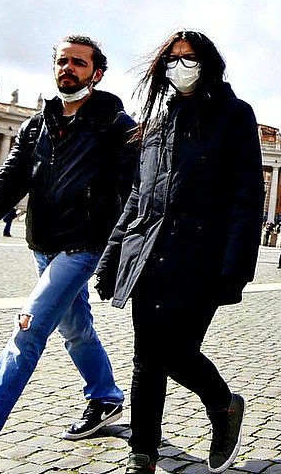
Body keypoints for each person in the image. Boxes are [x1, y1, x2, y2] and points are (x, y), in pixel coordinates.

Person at [0, 35, 135, 474]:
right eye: (61, 61)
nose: (67, 68)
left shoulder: (113, 123)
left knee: (28, 330)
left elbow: (134, 190)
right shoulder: (37, 124)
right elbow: (13, 174)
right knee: (75, 330)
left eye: (78, 62)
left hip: (84, 244)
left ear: (97, 72)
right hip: (43, 244)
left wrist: (118, 251)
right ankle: (106, 397)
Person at [94, 29, 262, 474]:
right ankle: (142, 453)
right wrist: (113, 255)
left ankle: (223, 403)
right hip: (148, 253)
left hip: (201, 257)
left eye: (188, 58)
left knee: (175, 352)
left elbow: (247, 195)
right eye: (171, 59)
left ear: (208, 64)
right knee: (146, 358)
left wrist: (236, 268)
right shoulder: (157, 123)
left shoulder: (234, 115)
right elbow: (137, 195)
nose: (178, 67)